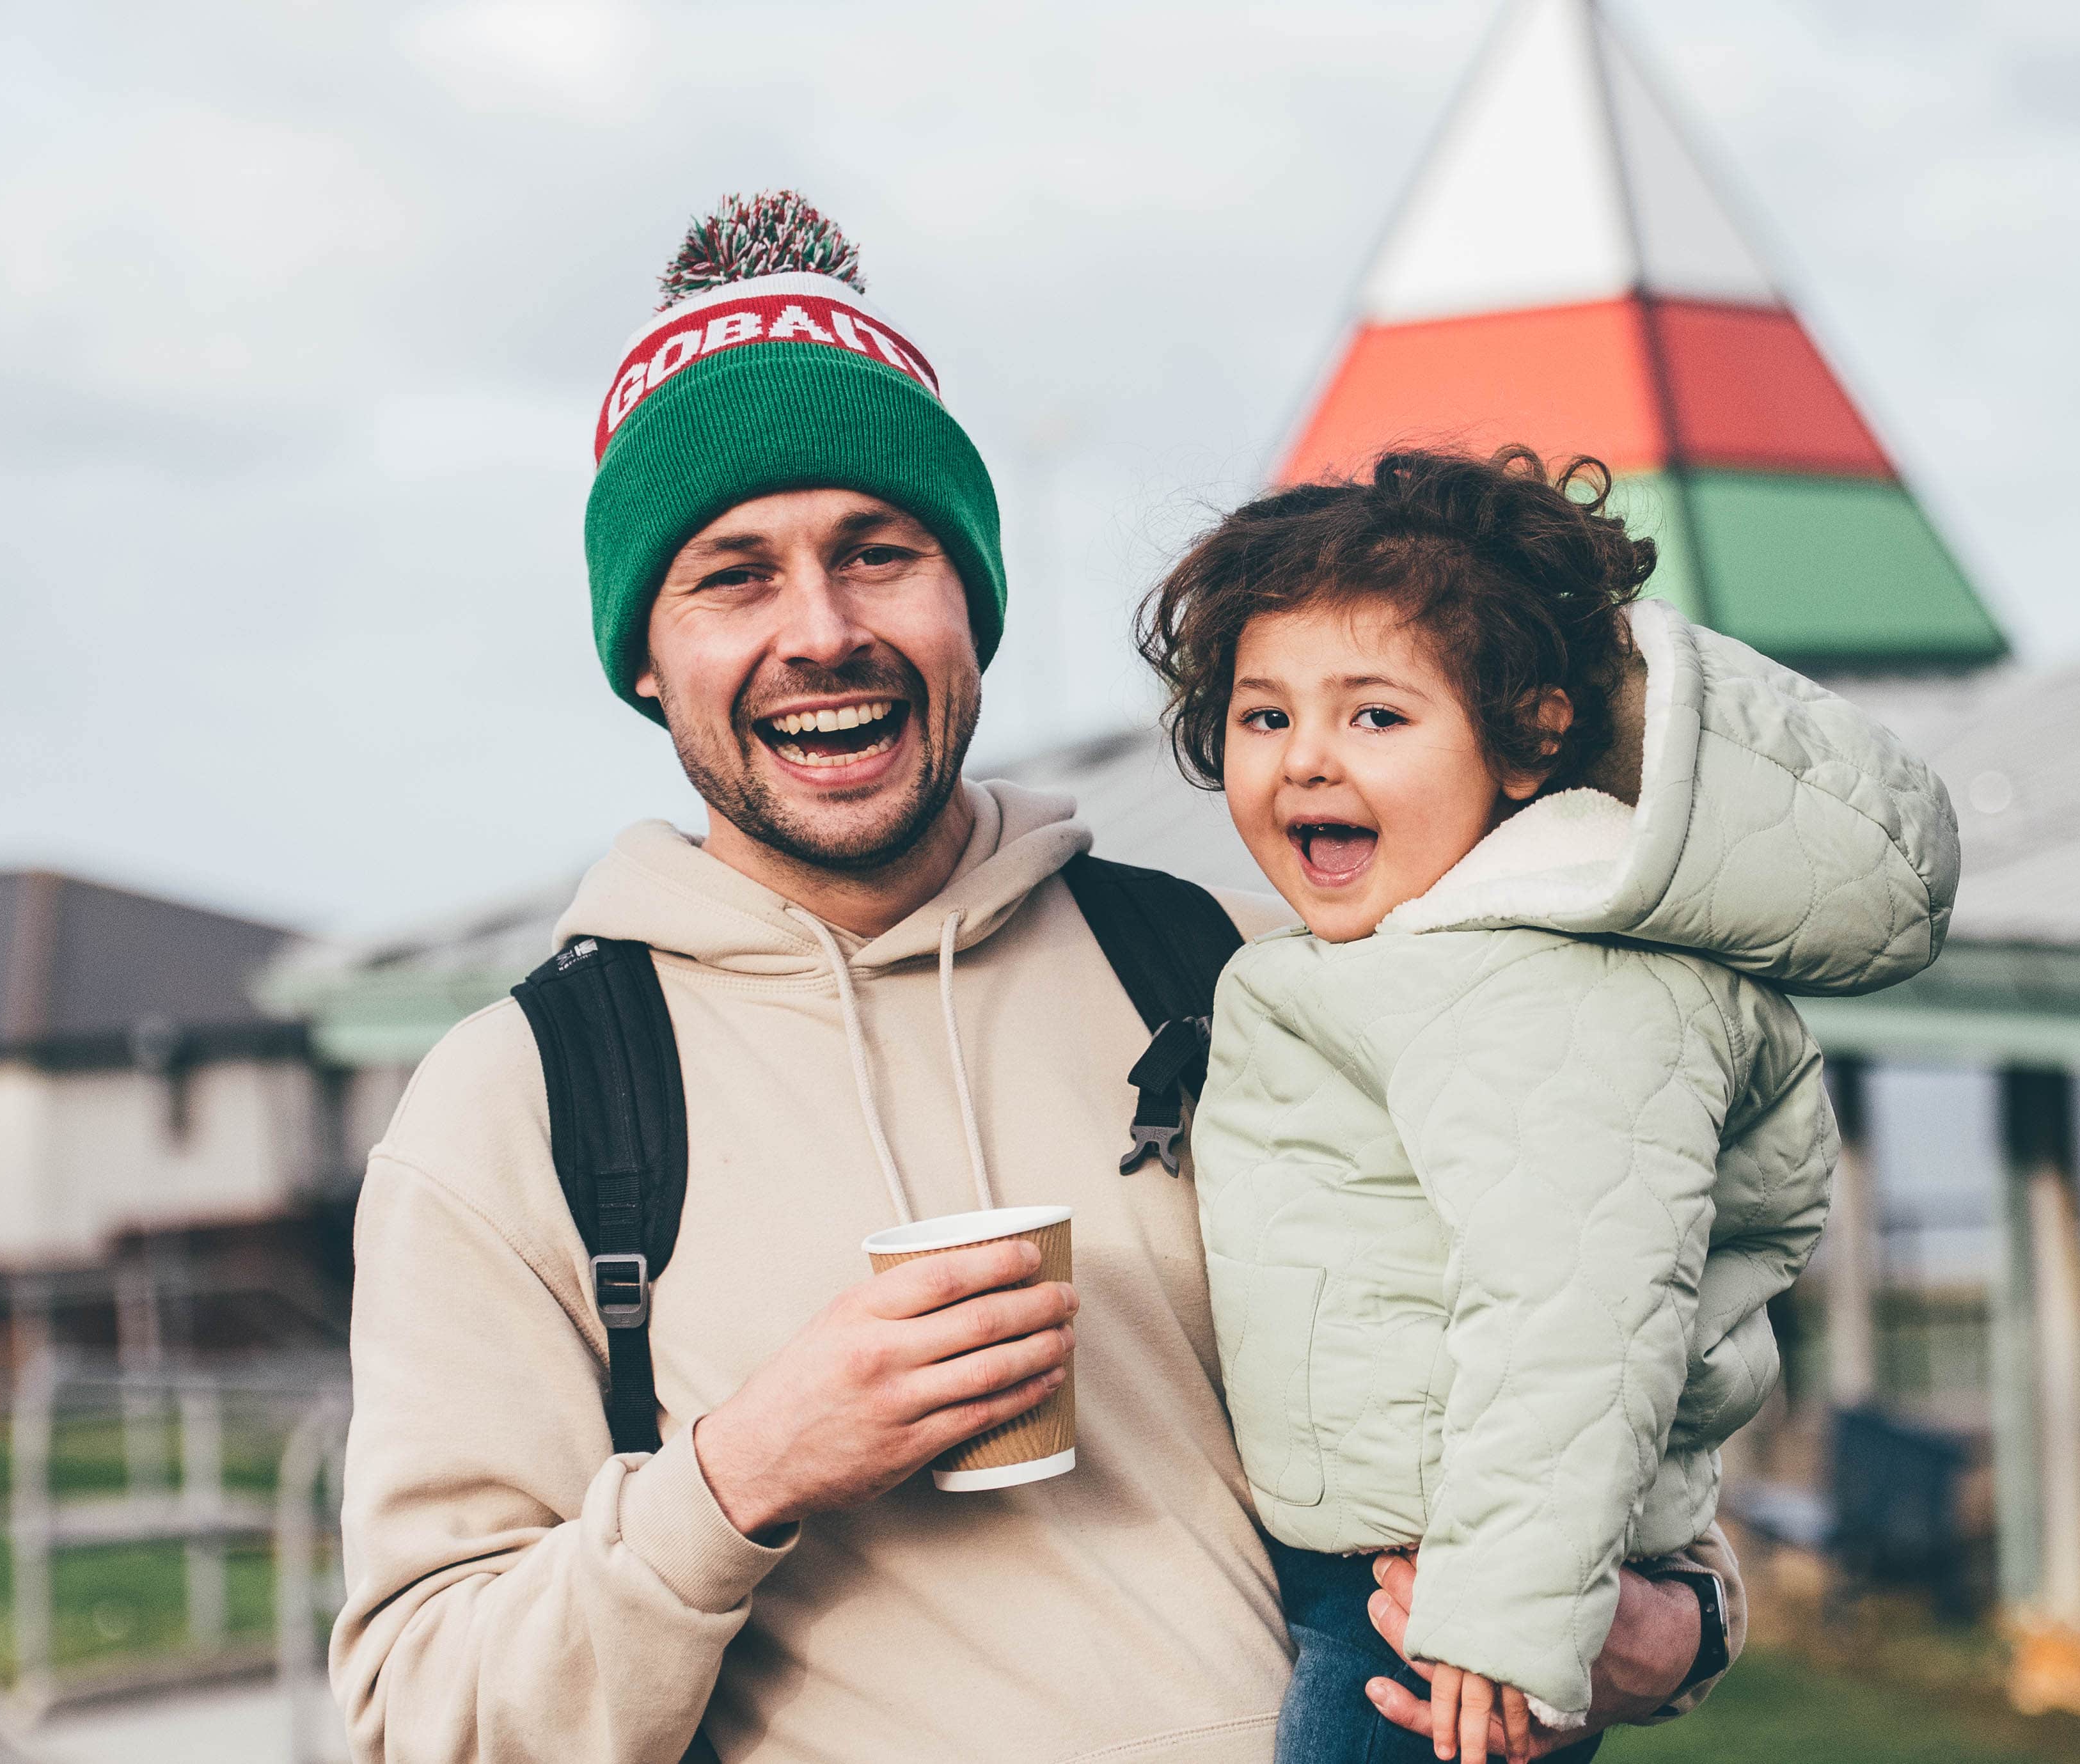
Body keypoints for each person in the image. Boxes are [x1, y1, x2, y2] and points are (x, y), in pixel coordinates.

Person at [331, 194, 1779, 1764]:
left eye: (879, 554)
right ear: (640, 655)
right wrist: (742, 1470)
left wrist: (1676, 1625)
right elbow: (423, 1720)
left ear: (973, 603)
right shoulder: (524, 1104)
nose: (822, 631)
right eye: (733, 576)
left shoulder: (1235, 970)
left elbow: (1578, 1337)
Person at [1135, 448, 1960, 1764]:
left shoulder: (1537, 981)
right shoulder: (1424, 954)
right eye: (1262, 716)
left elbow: (1576, 1301)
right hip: (1401, 1563)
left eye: (1375, 717)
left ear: (1525, 740)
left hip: (1437, 1603)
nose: (1304, 763)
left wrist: (1502, 1610)